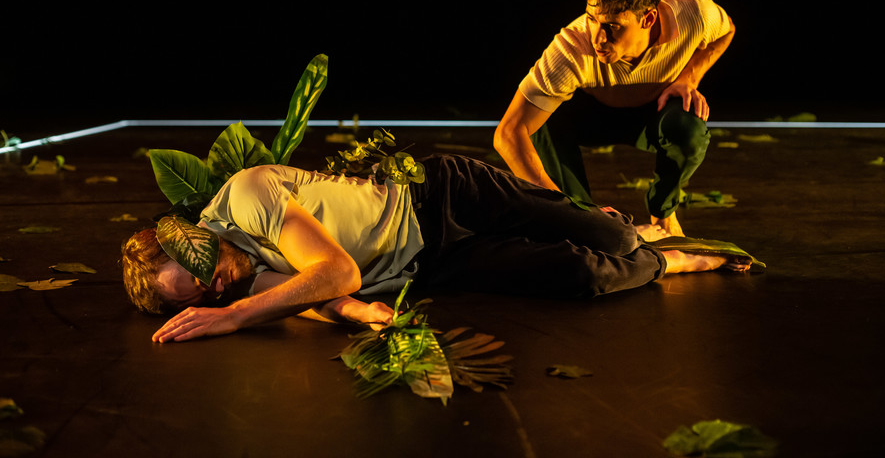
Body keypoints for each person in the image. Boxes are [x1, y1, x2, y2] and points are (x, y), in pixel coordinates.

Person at [121, 154, 752, 344]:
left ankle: (628, 230)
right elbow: (308, 296)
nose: (217, 290)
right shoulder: (235, 280)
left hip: (442, 196)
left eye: (202, 273)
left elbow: (335, 270)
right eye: (201, 298)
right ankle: (672, 260)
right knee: (585, 277)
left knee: (613, 238)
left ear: (195, 236)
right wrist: (358, 313)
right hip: (426, 264)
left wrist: (233, 318)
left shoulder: (247, 194)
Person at [494, 0, 735, 237]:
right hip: (591, 115)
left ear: (648, 19)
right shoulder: (572, 47)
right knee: (542, 120)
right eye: (592, 19)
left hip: (654, 111)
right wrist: (556, 205)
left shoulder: (694, 14)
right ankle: (578, 216)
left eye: (612, 26)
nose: (598, 38)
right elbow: (508, 133)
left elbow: (727, 29)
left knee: (689, 124)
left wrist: (689, 78)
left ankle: (663, 213)